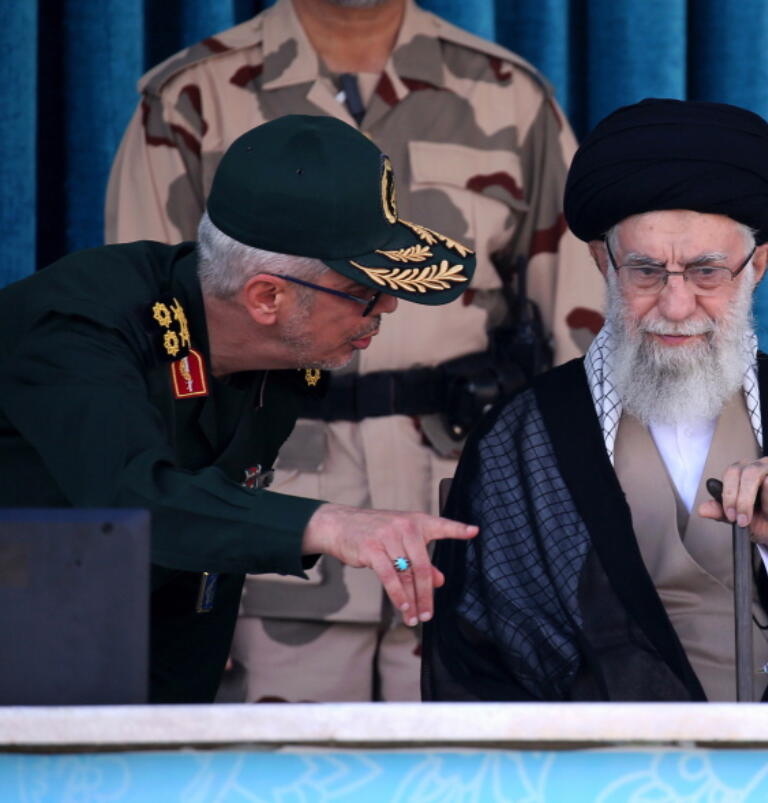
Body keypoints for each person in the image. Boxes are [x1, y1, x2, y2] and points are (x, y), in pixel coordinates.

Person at [105, 0, 604, 702]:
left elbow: (582, 338)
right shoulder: (195, 96)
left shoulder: (508, 93)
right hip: (267, 538)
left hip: (461, 531)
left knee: (461, 778)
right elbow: (147, 346)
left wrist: (559, 545)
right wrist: (172, 578)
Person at [422, 99, 768, 702]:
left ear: (758, 264)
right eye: (646, 272)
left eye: (708, 272)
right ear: (603, 262)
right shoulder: (520, 442)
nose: (676, 307)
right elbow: (470, 664)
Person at [0, 115, 480, 704]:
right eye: (362, 291)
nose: (389, 306)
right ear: (267, 296)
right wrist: (327, 523)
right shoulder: (78, 330)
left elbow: (200, 548)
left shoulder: (284, 348)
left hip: (121, 644)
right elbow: (128, 506)